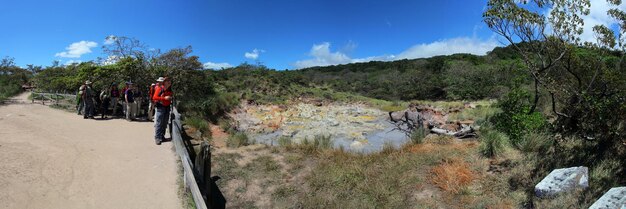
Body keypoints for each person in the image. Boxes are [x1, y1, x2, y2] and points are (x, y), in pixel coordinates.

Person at [153, 77, 173, 145]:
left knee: (164, 123)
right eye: (168, 81)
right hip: (160, 107)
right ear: (164, 82)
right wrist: (164, 98)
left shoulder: (169, 89)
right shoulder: (159, 88)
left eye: (170, 81)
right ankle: (157, 138)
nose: (169, 82)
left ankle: (162, 136)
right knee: (159, 123)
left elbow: (170, 96)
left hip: (167, 107)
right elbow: (154, 97)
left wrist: (170, 98)